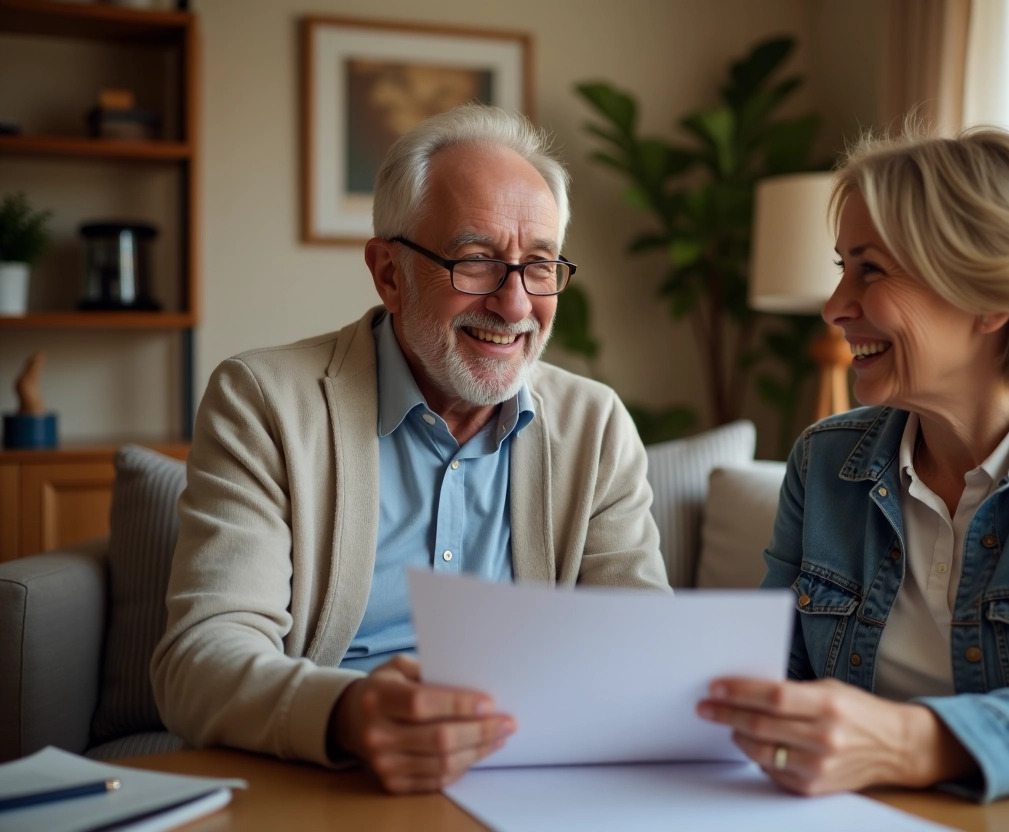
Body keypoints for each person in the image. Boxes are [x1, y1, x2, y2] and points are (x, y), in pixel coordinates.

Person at [696, 125, 1009, 826]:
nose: (834, 306)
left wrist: (908, 742)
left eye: (870, 270)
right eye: (841, 267)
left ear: (988, 296)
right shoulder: (824, 460)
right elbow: (767, 677)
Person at [152, 104, 670, 794]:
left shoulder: (596, 424)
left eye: (539, 266)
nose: (515, 305)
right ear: (389, 273)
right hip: (336, 778)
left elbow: (643, 646)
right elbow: (197, 661)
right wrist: (348, 712)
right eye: (477, 261)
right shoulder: (263, 401)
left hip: (533, 780)